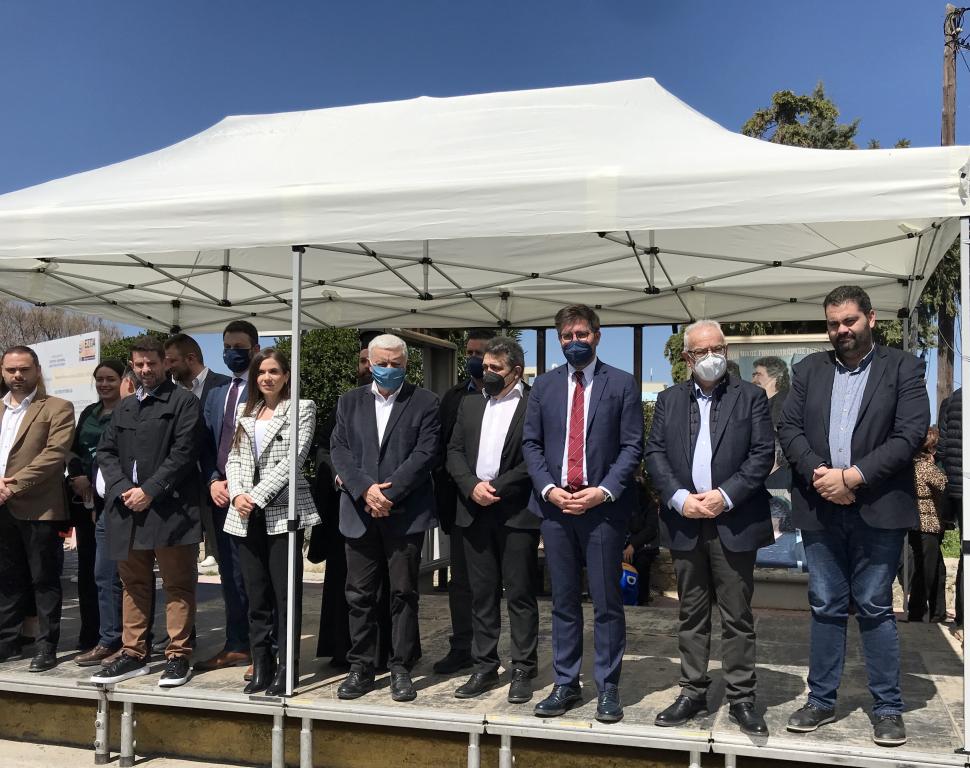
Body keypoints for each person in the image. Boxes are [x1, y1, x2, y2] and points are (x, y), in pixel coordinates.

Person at [778, 285, 929, 747]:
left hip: (878, 507)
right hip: (820, 505)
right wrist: (822, 474)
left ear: (871, 318)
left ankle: (887, 708)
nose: (841, 330)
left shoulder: (903, 367)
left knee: (874, 605)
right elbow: (789, 427)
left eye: (849, 321)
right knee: (825, 605)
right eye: (833, 323)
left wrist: (853, 477)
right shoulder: (809, 369)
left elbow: (909, 434)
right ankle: (821, 700)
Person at [645, 320, 774, 736]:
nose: (712, 357)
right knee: (691, 612)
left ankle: (742, 697)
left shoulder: (750, 396)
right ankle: (692, 691)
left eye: (718, 348)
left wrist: (726, 495)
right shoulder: (668, 400)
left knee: (737, 615)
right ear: (688, 358)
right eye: (702, 351)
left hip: (734, 519)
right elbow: (655, 453)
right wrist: (679, 498)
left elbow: (762, 454)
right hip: (685, 520)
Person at [522, 304, 642, 723]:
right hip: (556, 510)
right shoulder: (544, 386)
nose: (575, 342)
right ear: (560, 340)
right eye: (567, 336)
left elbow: (632, 446)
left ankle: (608, 687)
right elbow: (531, 443)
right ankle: (566, 683)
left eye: (582, 334)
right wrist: (550, 489)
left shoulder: (622, 383)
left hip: (602, 510)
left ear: (597, 336)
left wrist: (602, 491)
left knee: (607, 601)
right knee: (564, 600)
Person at [331, 334, 440, 703]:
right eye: (382, 363)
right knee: (359, 594)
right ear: (370, 362)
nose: (388, 369)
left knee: (403, 593)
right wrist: (366, 490)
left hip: (404, 514)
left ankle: (401, 666)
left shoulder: (425, 402)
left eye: (396, 364)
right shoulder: (349, 401)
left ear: (406, 365)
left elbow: (425, 453)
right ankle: (361, 666)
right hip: (359, 512)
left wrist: (388, 495)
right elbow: (340, 450)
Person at [92, 336, 204, 688]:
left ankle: (178, 656)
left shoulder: (184, 402)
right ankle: (133, 654)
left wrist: (150, 491)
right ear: (132, 365)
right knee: (133, 584)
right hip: (127, 509)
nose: (145, 370)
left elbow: (184, 453)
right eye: (139, 364)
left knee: (178, 585)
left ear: (165, 363)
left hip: (171, 510)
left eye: (151, 363)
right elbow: (106, 451)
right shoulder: (124, 407)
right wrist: (123, 489)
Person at [446, 337, 540, 703]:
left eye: (494, 368)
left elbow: (535, 458)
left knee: (519, 594)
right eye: (485, 366)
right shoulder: (470, 403)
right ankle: (484, 666)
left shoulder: (533, 403)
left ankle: (523, 669)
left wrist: (496, 487)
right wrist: (471, 486)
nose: (486, 373)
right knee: (481, 594)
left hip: (516, 513)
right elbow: (453, 451)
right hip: (474, 511)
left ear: (515, 371)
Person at [225, 348, 319, 696]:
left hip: (282, 511)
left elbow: (294, 458)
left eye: (274, 371)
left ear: (286, 375)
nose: (267, 378)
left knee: (285, 594)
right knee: (256, 594)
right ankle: (261, 663)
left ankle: (287, 667)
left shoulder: (302, 408)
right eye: (261, 372)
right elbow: (234, 457)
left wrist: (256, 496)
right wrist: (237, 494)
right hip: (245, 513)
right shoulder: (245, 410)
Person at [311, 343, 395, 670]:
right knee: (348, 586)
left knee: (391, 587)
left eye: (371, 361)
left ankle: (385, 653)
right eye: (363, 362)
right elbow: (327, 448)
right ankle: (344, 649)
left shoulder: (402, 402)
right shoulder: (346, 403)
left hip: (387, 503)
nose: (367, 368)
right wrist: (345, 478)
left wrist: (378, 490)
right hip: (347, 506)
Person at [0, 346, 75, 671]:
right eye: (11, 370)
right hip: (2, 508)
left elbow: (54, 454)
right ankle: (7, 642)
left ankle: (46, 646)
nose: (17, 375)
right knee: (6, 578)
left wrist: (11, 485)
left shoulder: (57, 407)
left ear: (37, 370)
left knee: (44, 579)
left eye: (24, 369)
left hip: (39, 508)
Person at [195, 321, 260, 675]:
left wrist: (243, 489)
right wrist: (212, 481)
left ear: (255, 349)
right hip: (221, 497)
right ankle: (237, 645)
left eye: (239, 346)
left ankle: (264, 648)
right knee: (230, 575)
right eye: (227, 347)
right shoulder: (217, 392)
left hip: (254, 498)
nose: (232, 353)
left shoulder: (267, 386)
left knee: (255, 576)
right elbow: (205, 443)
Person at [433, 329, 495, 675]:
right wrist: (466, 485)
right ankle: (462, 646)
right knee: (462, 583)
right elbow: (444, 448)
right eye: (469, 352)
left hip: (502, 502)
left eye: (480, 353)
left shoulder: (520, 396)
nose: (473, 359)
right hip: (460, 502)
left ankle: (496, 652)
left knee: (499, 583)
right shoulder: (454, 397)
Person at [70, 360, 125, 667]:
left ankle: (122, 637)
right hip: (85, 501)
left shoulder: (128, 411)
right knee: (92, 571)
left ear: (123, 381)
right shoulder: (89, 413)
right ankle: (92, 633)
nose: (104, 384)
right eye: (100, 379)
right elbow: (73, 449)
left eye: (110, 379)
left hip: (116, 500)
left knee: (118, 573)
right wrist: (77, 476)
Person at [164, 333, 230, 568]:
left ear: (190, 358)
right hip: (182, 488)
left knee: (227, 557)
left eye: (172, 361)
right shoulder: (169, 394)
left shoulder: (225, 386)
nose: (167, 367)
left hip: (218, 483)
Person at [908, 427, 948, 623]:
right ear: (931, 448)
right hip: (927, 524)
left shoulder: (913, 465)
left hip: (920, 524)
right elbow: (944, 483)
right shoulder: (925, 467)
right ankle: (917, 612)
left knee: (938, 569)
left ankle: (938, 612)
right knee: (927, 571)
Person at [938, 389, 963, 629]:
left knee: (966, 551)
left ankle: (963, 618)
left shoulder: (952, 399)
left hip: (957, 486)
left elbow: (942, 447)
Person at [625, 466, 661, 606]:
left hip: (644, 546)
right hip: (625, 542)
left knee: (642, 562)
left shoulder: (649, 503)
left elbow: (650, 529)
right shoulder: (623, 502)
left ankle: (642, 599)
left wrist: (633, 545)